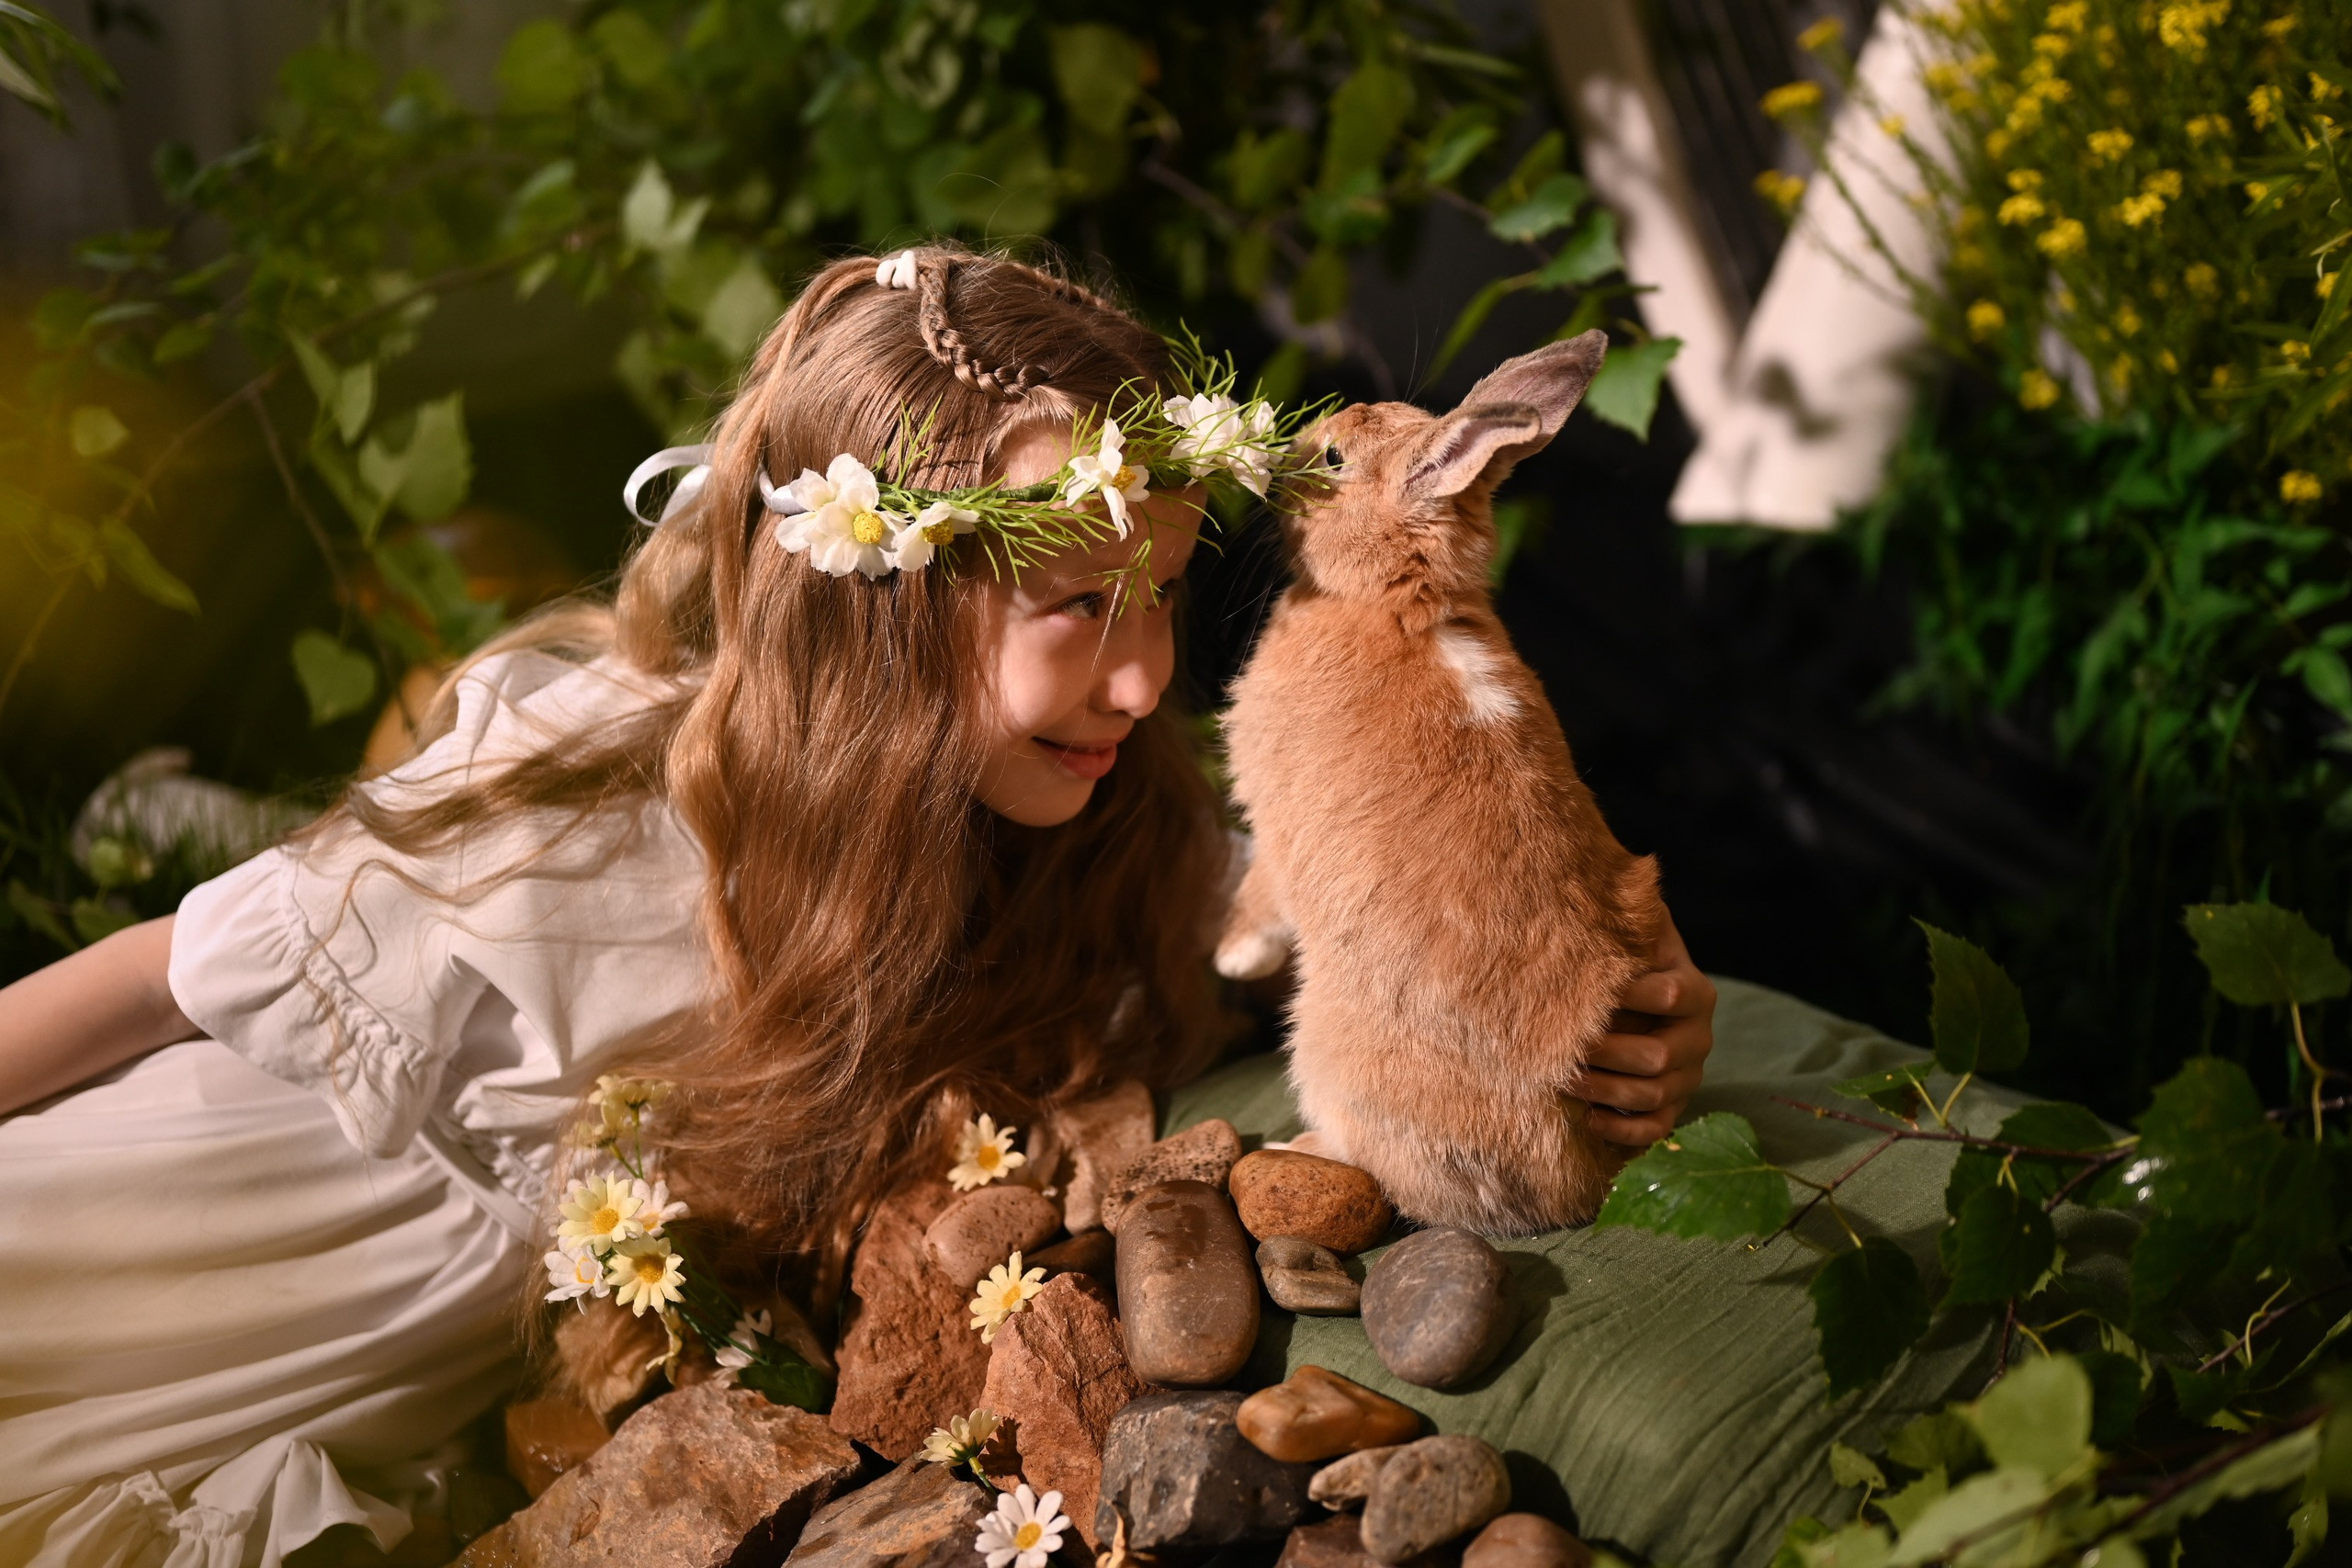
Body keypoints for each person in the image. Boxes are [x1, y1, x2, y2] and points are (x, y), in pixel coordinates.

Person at [0, 245, 1715, 1567]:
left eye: (1169, 596)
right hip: (159, 1233)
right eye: (1073, 604)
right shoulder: (599, 817)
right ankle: (167, 798)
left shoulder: (1092, 823)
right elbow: (165, 977)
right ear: (881, 611)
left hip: (378, 1376)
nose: (1142, 673)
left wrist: (1627, 996)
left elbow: (1387, 898)